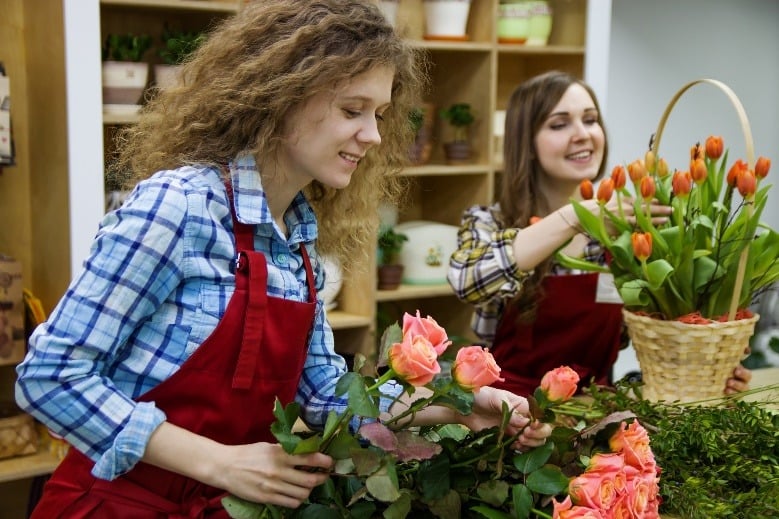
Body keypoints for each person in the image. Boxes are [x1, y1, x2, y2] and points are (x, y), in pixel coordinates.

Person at [15, 2, 551, 517]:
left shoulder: (297, 244)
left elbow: (326, 398)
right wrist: (220, 462)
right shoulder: (177, 206)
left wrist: (458, 407)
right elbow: (50, 377)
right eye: (352, 110)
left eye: (381, 113)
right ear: (283, 94)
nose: (374, 135)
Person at [447, 70, 752, 398]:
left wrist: (706, 366)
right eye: (559, 124)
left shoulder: (630, 232)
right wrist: (577, 218)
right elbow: (468, 280)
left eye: (590, 120)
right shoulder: (489, 222)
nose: (582, 135)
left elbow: (660, 336)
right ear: (527, 143)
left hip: (595, 417)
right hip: (506, 416)